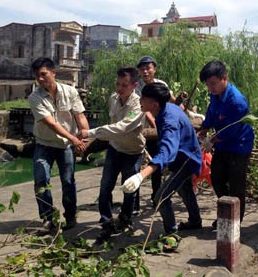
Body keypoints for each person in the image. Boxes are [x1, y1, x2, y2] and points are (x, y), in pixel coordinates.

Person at [119, 83, 203, 234]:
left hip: (186, 160)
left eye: (143, 99)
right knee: (185, 190)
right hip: (184, 156)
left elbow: (167, 150)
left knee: (161, 197)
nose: (140, 101)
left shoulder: (169, 119)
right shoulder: (167, 108)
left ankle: (171, 233)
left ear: (154, 104)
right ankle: (195, 221)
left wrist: (141, 175)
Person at [78, 66, 145, 244]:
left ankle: (125, 218)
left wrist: (90, 133)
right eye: (117, 84)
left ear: (134, 85)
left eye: (124, 85)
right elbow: (112, 126)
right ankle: (106, 221)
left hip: (133, 152)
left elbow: (122, 127)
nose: (119, 88)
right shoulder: (113, 99)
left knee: (129, 189)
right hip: (115, 149)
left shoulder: (138, 105)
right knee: (105, 186)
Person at [28, 57, 89, 231]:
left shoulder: (70, 91)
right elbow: (51, 124)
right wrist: (74, 139)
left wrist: (86, 137)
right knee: (41, 180)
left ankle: (70, 216)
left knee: (68, 181)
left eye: (43, 74)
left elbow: (80, 116)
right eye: (37, 76)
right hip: (44, 143)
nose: (40, 79)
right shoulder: (34, 97)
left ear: (53, 73)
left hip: (65, 146)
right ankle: (48, 219)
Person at [198, 60, 255, 228]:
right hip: (222, 146)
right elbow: (211, 114)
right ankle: (227, 211)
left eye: (213, 84)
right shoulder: (215, 95)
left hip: (238, 146)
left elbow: (232, 131)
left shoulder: (236, 101)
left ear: (224, 78)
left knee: (237, 185)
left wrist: (211, 140)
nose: (211, 88)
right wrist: (203, 130)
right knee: (216, 178)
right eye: (208, 85)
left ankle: (236, 221)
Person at [136, 56, 174, 206]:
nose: (145, 71)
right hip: (143, 129)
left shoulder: (161, 84)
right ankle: (134, 203)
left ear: (154, 69)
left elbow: (171, 100)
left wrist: (185, 113)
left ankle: (156, 195)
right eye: (142, 68)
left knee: (156, 163)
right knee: (136, 165)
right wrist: (156, 126)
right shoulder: (137, 87)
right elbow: (145, 110)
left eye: (148, 68)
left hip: (156, 130)